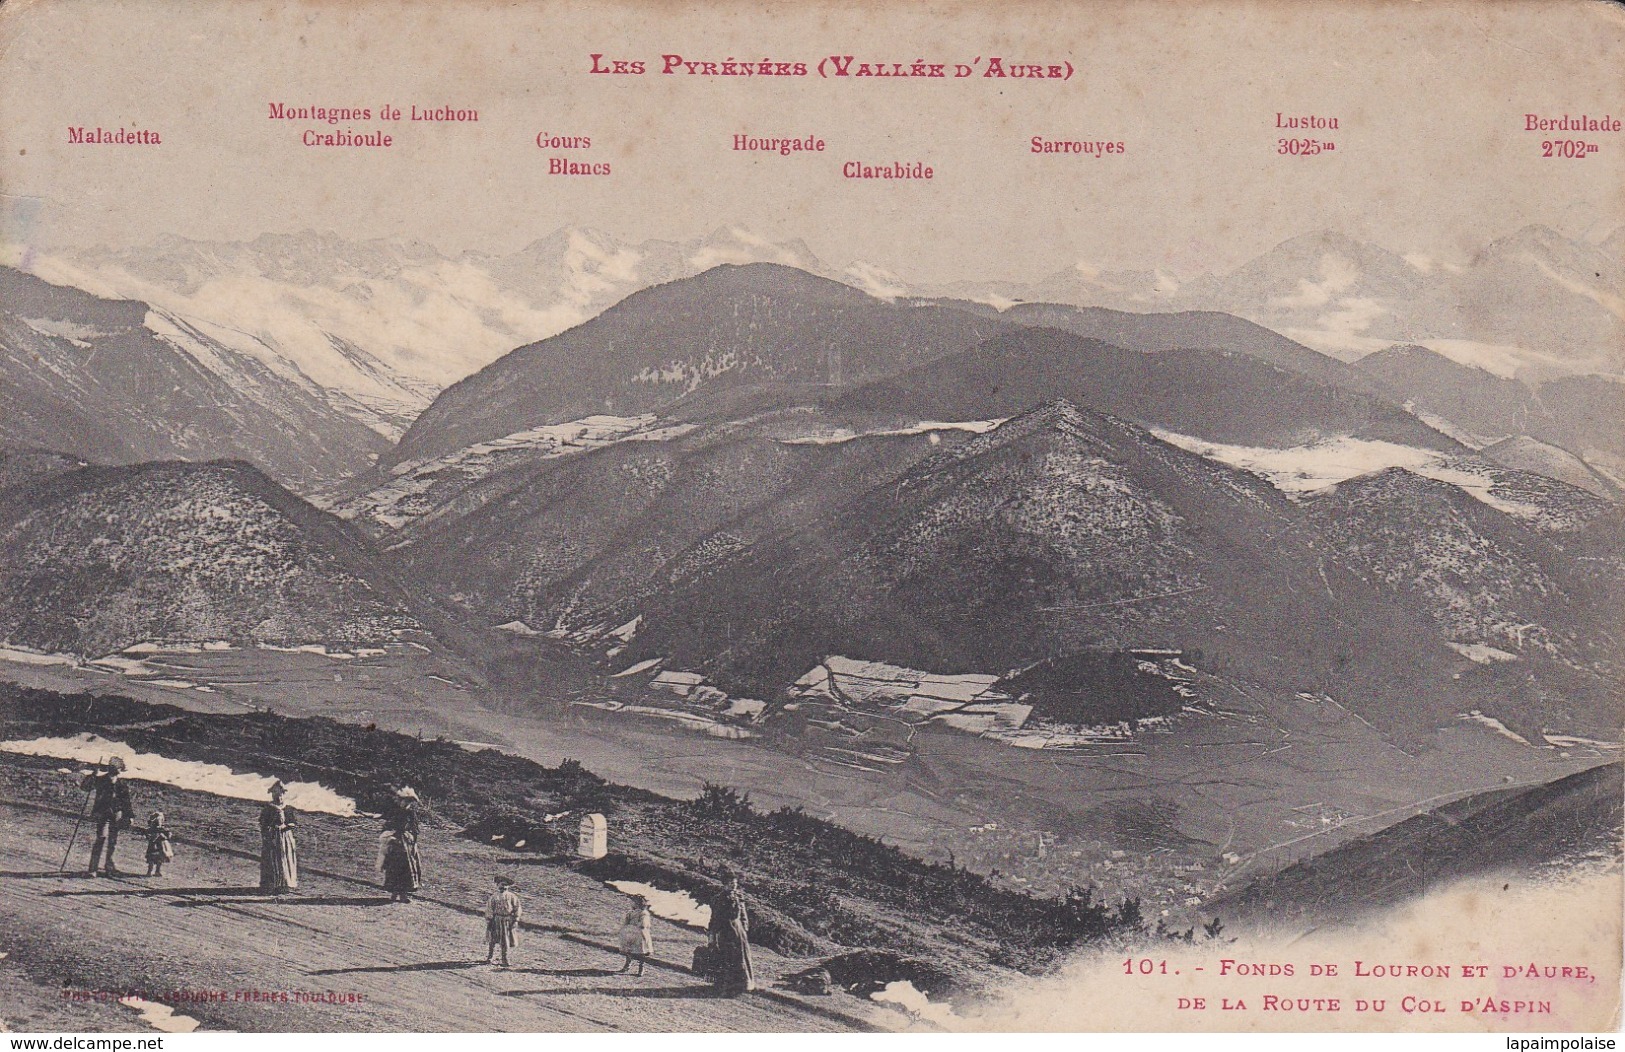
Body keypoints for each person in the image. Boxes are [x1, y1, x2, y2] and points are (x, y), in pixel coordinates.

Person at [81, 758, 134, 876]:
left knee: (113, 841)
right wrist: (92, 775)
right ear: (113, 769)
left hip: (116, 814)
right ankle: (92, 869)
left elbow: (126, 801)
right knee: (101, 838)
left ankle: (109, 866)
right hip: (103, 812)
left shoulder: (121, 783)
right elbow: (85, 787)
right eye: (119, 768)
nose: (120, 771)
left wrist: (129, 815)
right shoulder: (101, 780)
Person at [707, 872, 755, 995]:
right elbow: (715, 917)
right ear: (724, 885)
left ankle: (744, 983)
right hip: (725, 930)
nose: (733, 886)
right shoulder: (719, 898)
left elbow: (743, 915)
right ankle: (726, 984)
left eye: (735, 884)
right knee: (727, 956)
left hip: (738, 931)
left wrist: (744, 927)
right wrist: (712, 934)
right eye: (730, 884)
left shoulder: (739, 897)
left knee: (742, 956)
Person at [380, 787, 423, 903]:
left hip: (407, 843)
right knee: (395, 867)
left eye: (409, 801)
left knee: (407, 868)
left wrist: (412, 839)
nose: (406, 803)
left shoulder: (411, 813)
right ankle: (394, 894)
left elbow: (415, 829)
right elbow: (387, 825)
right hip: (397, 843)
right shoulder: (395, 811)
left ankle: (403, 894)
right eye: (404, 801)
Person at [259, 781, 298, 893]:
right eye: (276, 793)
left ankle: (285, 884)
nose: (279, 796)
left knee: (286, 858)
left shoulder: (288, 808)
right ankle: (271, 884)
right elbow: (263, 823)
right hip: (273, 837)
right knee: (273, 859)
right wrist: (270, 831)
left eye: (281, 793)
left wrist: (287, 826)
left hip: (286, 838)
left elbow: (292, 822)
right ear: (272, 794)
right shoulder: (268, 808)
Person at [483, 876, 522, 967]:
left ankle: (505, 959)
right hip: (496, 920)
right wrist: (489, 919)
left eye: (506, 885)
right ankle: (490, 957)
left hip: (507, 920)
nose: (504, 887)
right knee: (492, 939)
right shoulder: (494, 897)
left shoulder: (512, 896)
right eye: (502, 884)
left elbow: (517, 908)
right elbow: (489, 909)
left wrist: (515, 919)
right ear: (497, 885)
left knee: (505, 940)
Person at [617, 894, 654, 976]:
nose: (632, 904)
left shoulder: (644, 913)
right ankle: (627, 966)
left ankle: (641, 969)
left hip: (640, 935)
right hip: (631, 934)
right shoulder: (630, 913)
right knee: (628, 951)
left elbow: (643, 924)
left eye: (633, 902)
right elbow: (625, 922)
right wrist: (625, 928)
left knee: (641, 952)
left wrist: (633, 927)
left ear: (638, 903)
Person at [143, 812, 173, 877]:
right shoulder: (152, 830)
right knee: (152, 859)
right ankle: (150, 871)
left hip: (160, 847)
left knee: (158, 859)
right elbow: (147, 834)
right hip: (154, 846)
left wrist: (166, 835)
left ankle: (156, 871)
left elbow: (168, 834)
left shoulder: (161, 829)